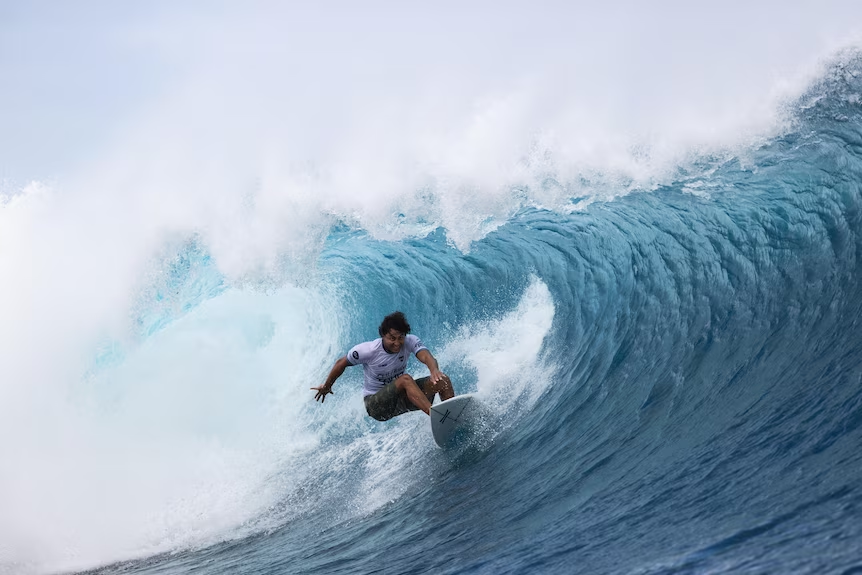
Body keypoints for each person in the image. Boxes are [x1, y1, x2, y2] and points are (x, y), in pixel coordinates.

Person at [312, 311, 455, 421]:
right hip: (376, 406)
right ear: (383, 335)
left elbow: (426, 356)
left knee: (443, 381)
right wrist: (327, 386)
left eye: (401, 337)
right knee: (405, 379)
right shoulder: (368, 350)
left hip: (401, 400)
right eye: (392, 338)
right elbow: (341, 363)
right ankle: (439, 418)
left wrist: (434, 370)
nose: (397, 343)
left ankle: (452, 416)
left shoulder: (410, 341)